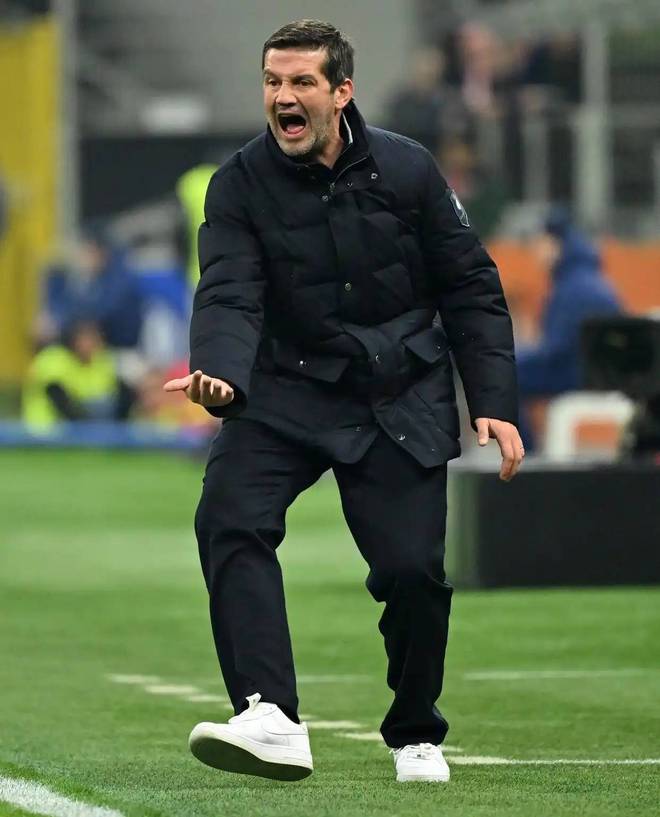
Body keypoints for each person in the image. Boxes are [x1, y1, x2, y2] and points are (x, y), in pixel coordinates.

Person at [164, 19, 523, 784]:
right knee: (229, 516)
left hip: (399, 392)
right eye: (272, 82)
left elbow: (470, 286)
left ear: (341, 92)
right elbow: (228, 290)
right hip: (283, 389)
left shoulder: (409, 168)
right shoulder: (237, 184)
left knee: (412, 572)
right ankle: (269, 713)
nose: (282, 97)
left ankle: (416, 731)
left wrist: (493, 398)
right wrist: (219, 370)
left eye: (301, 82)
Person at [517, 207, 622, 450]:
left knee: (502, 376)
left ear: (556, 244)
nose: (535, 251)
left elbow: (557, 349)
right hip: (597, 371)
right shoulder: (584, 279)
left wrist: (515, 356)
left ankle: (524, 454)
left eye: (540, 243)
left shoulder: (574, 287)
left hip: (583, 373)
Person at [22, 320, 132, 429]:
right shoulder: (52, 359)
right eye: (84, 339)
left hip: (82, 429)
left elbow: (118, 396)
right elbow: (61, 402)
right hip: (44, 431)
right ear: (73, 340)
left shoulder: (102, 361)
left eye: (93, 340)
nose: (89, 345)